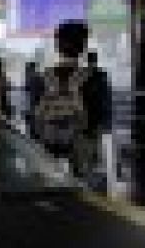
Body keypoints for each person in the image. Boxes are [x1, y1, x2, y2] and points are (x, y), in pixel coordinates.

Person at [33, 22, 114, 190]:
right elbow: (104, 120)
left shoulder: (42, 78)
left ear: (57, 46)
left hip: (49, 143)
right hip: (82, 145)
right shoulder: (97, 77)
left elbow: (34, 117)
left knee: (50, 188)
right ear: (84, 46)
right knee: (87, 193)